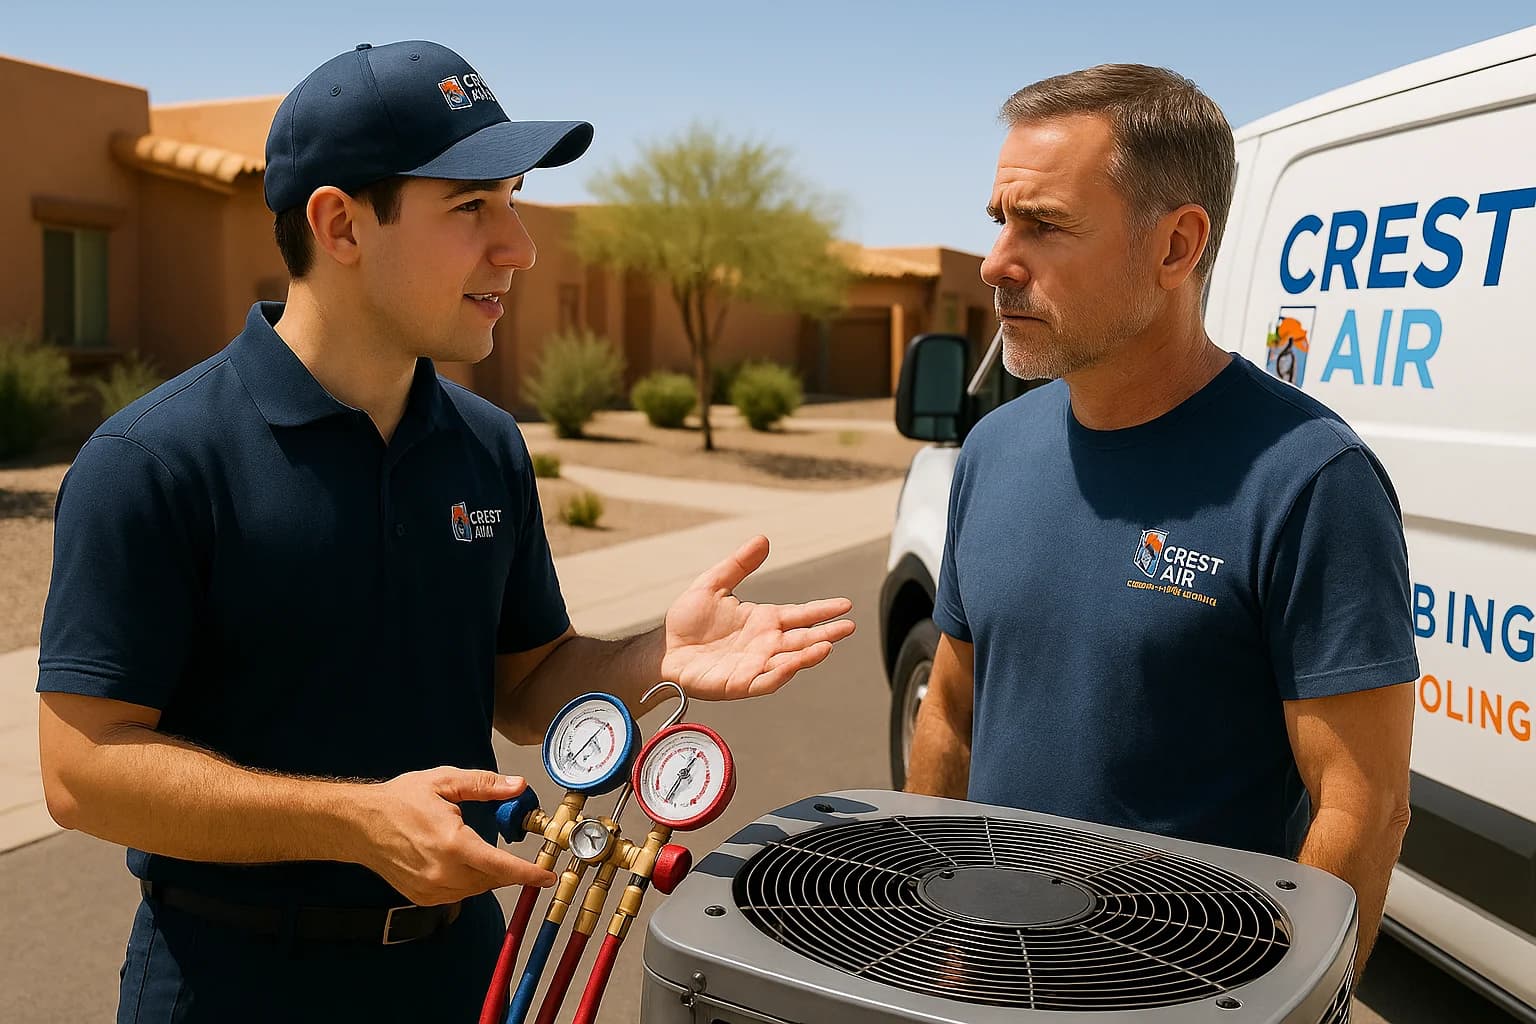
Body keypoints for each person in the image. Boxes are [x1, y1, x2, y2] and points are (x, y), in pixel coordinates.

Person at [35, 40, 855, 1023]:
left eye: (512, 202)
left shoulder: (485, 444)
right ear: (339, 224)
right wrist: (355, 823)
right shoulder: (155, 461)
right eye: (473, 208)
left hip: (466, 972)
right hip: (232, 983)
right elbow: (82, 771)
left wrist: (653, 656)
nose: (519, 246)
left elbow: (527, 685)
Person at [904, 65, 1416, 975]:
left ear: (1177, 245)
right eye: (1000, 221)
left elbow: (1362, 807)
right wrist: (936, 945)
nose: (996, 264)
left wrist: (1289, 1006)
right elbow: (949, 712)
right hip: (982, 983)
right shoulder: (994, 451)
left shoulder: (1309, 479)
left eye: (1045, 225)